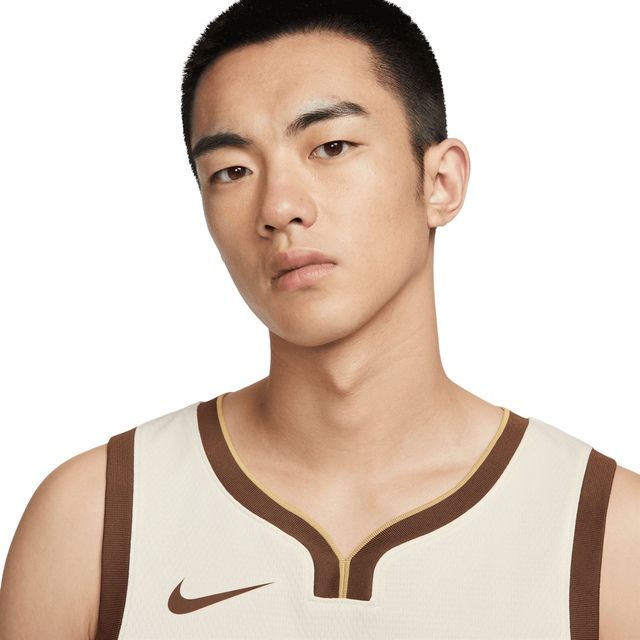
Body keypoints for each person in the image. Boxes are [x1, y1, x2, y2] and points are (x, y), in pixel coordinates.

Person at [1, 0, 638, 638]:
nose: (278, 207)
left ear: (440, 182)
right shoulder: (93, 521)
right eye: (232, 170)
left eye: (331, 146)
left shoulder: (610, 536)